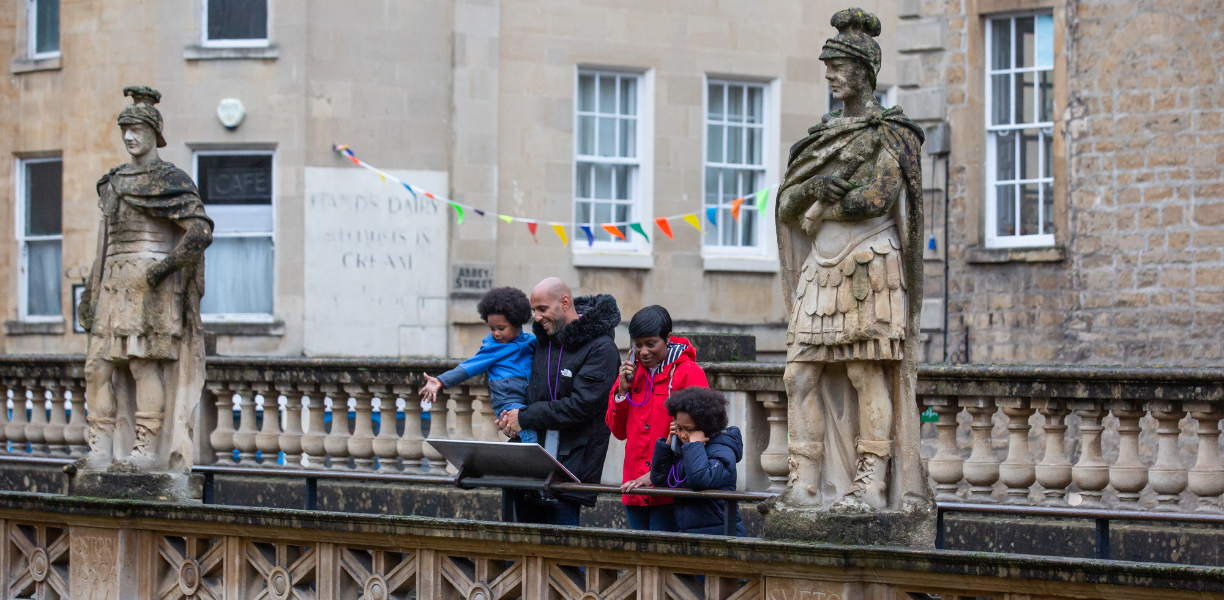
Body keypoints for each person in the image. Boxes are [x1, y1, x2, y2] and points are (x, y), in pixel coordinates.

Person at [495, 277, 620, 526]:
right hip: (532, 471)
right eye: (534, 311)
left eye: (542, 309)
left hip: (570, 473)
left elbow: (581, 406)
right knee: (526, 555)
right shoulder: (544, 341)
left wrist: (526, 417)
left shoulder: (602, 348)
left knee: (564, 560)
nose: (537, 318)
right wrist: (513, 417)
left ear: (564, 302)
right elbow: (533, 395)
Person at [606, 306, 708, 532]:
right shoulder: (630, 374)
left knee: (663, 560)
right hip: (634, 484)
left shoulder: (689, 373)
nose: (643, 352)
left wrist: (656, 473)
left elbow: (704, 431)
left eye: (651, 344)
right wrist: (621, 393)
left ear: (668, 339)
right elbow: (619, 431)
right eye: (637, 344)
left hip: (671, 485)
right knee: (640, 560)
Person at [419, 287, 537, 443]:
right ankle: (537, 463)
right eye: (492, 328)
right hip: (508, 402)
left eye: (501, 328)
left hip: (528, 399)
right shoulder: (493, 347)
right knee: (529, 432)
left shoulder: (530, 341)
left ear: (518, 323)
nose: (496, 334)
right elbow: (469, 367)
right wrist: (441, 381)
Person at [649, 387, 744, 536]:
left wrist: (694, 446)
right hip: (691, 533)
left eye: (689, 429)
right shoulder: (687, 449)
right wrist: (667, 447)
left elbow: (700, 480)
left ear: (705, 427)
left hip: (721, 534)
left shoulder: (723, 451)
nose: (683, 435)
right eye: (679, 428)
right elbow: (661, 480)